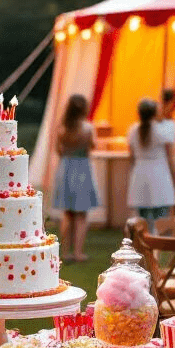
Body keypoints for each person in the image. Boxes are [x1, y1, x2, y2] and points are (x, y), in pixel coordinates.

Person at [52, 93, 100, 262]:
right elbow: (91, 147)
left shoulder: (62, 128)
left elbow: (58, 150)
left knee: (67, 213)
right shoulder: (87, 128)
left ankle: (65, 252)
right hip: (82, 169)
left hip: (65, 168)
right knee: (81, 215)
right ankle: (79, 252)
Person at [126, 97, 175, 223]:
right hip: (160, 175)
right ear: (156, 113)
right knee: (161, 218)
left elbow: (131, 156)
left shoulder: (133, 130)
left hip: (140, 174)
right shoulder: (164, 129)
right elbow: (172, 157)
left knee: (142, 220)